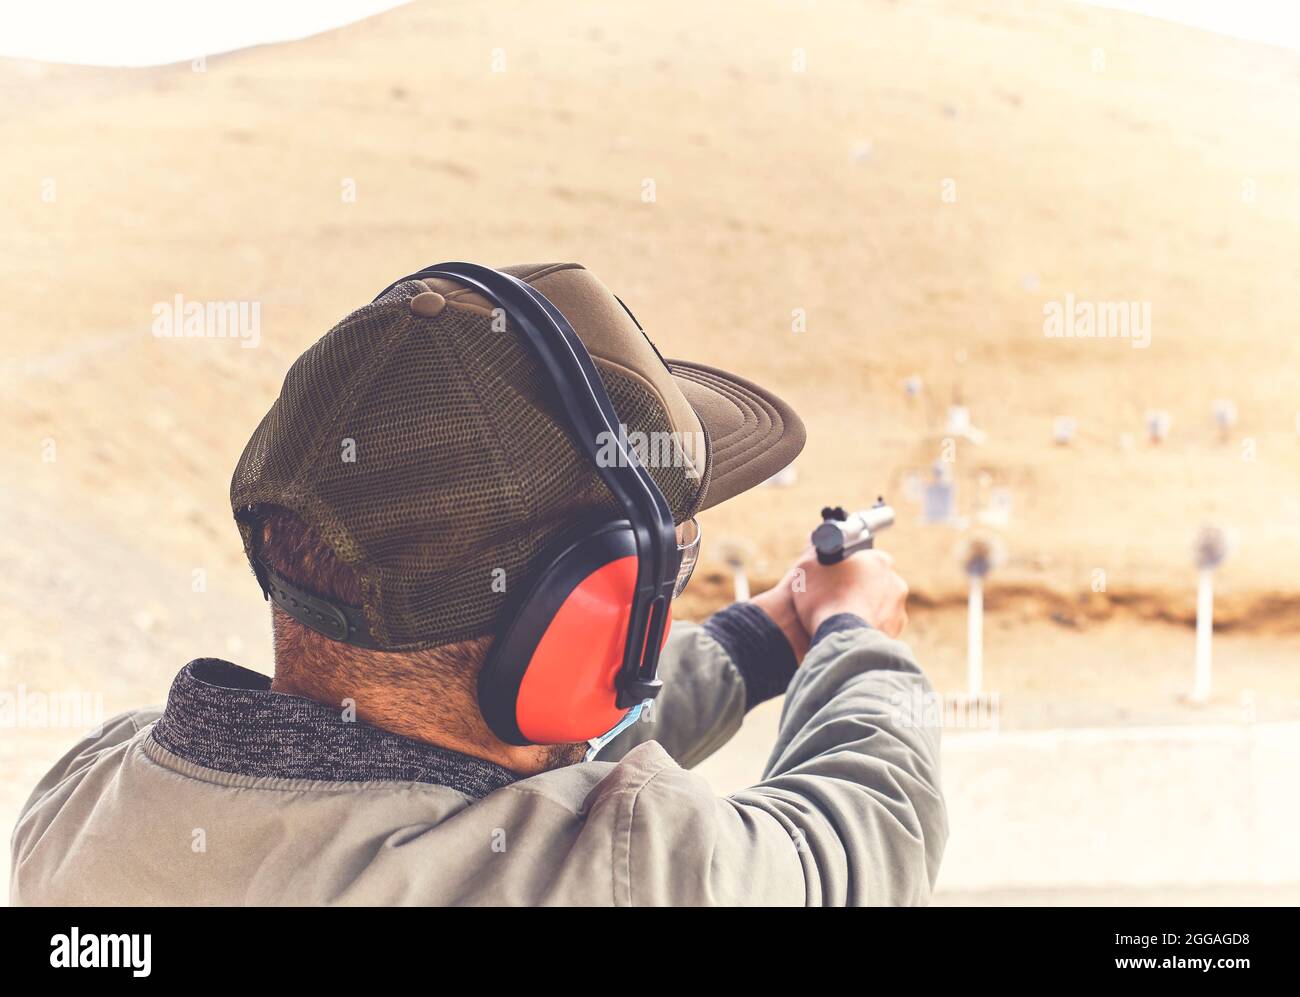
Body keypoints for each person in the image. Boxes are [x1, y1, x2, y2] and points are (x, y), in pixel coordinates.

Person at [11, 262, 946, 906]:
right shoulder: (644, 872)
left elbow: (462, 763)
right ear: (579, 625)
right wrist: (856, 639)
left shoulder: (84, 804)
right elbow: (866, 832)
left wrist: (763, 635)